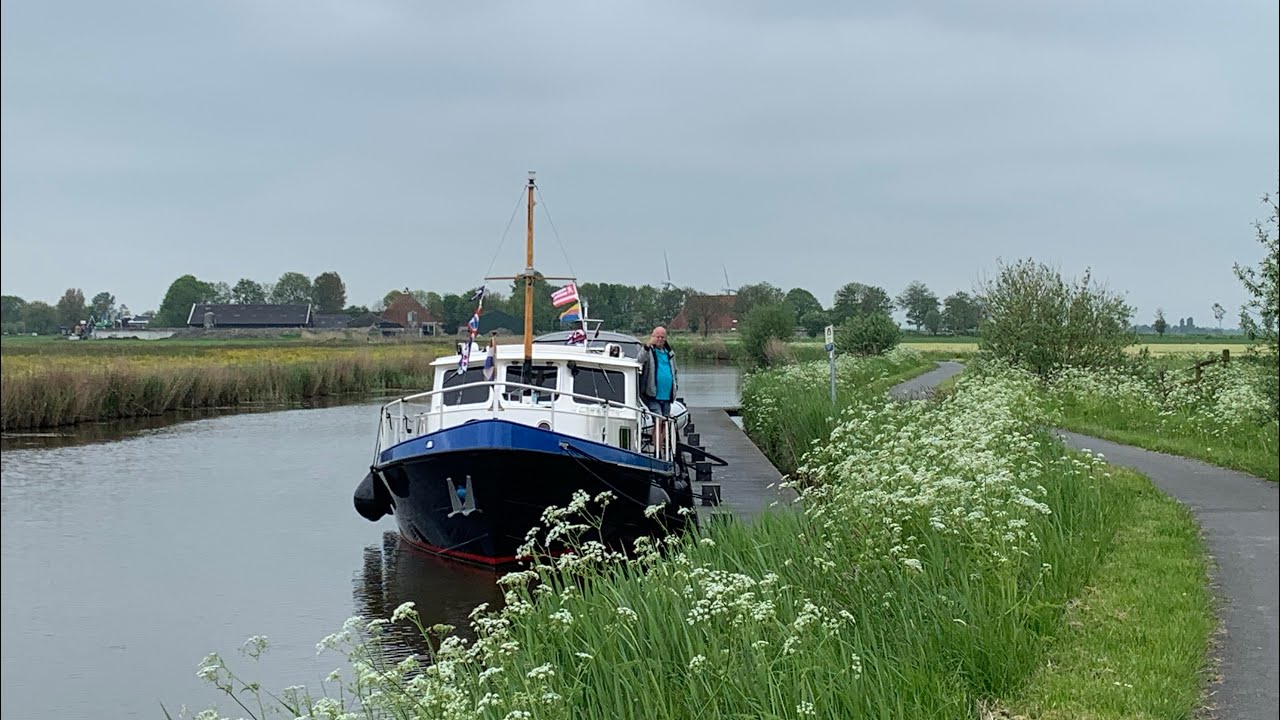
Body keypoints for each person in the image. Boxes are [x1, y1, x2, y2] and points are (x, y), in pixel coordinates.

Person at [638, 326, 678, 416]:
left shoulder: (670, 354)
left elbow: (675, 371)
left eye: (662, 337)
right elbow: (640, 360)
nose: (660, 339)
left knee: (665, 422)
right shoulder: (649, 351)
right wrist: (647, 345)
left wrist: (676, 386)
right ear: (653, 337)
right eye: (658, 337)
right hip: (653, 396)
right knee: (658, 419)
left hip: (667, 396)